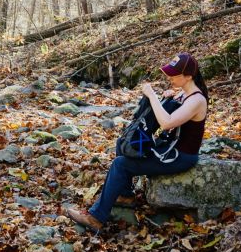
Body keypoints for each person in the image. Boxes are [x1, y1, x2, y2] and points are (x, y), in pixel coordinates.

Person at [65, 52, 208, 231]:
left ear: (188, 76)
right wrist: (167, 98)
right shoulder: (183, 95)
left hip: (179, 156)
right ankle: (125, 195)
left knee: (120, 164)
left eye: (174, 74)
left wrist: (154, 97)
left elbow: (167, 123)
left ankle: (96, 218)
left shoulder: (197, 100)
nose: (169, 77)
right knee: (123, 145)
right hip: (168, 148)